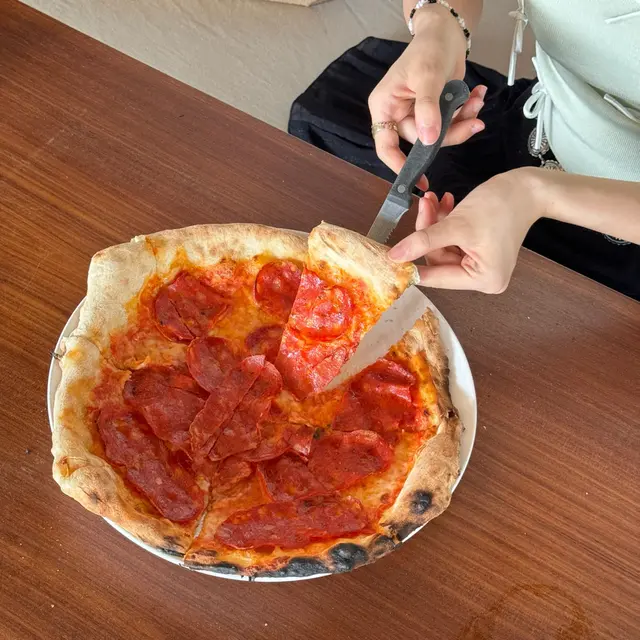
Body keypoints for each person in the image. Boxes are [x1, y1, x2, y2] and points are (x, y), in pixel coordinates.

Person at [289, 0, 640, 298]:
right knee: (321, 117)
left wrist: (534, 194)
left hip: (620, 239)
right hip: (523, 130)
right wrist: (440, 25)